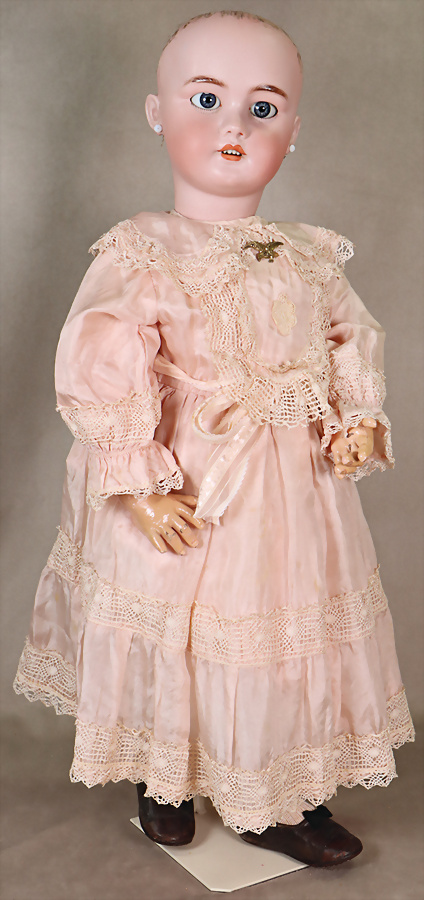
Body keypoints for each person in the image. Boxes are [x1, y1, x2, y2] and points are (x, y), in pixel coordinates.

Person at [13, 10, 414, 868]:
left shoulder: (306, 252)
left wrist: (354, 417)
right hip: (193, 480)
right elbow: (102, 355)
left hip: (294, 489)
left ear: (293, 131)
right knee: (180, 625)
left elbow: (350, 335)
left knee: (280, 629)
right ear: (157, 112)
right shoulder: (144, 248)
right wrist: (138, 479)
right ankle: (163, 776)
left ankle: (279, 792)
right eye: (206, 99)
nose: (235, 126)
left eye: (263, 108)